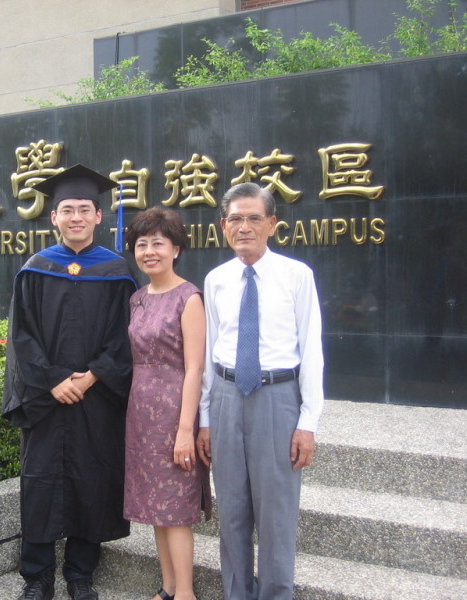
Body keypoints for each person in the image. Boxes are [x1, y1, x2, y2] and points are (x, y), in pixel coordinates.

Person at [2, 164, 138, 600]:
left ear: (99, 216)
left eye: (84, 209)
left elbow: (125, 336)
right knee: (40, 481)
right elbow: (21, 335)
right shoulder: (37, 268)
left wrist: (94, 374)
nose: (76, 217)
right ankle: (37, 577)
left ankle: (81, 574)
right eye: (67, 210)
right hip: (48, 396)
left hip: (97, 396)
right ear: (53, 218)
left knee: (92, 478)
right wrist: (55, 380)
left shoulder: (116, 272)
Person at [196, 182, 324, 600]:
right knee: (231, 511)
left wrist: (308, 422)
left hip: (278, 400)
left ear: (272, 224)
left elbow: (312, 350)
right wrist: (206, 419)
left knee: (276, 515)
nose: (244, 227)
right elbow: (210, 352)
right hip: (227, 399)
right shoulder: (216, 280)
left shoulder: (296, 276)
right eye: (235, 218)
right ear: (223, 226)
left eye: (254, 218)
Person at [123, 207, 212, 600]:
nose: (149, 251)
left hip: (175, 412)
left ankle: (187, 594)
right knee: (157, 507)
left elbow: (195, 369)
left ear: (176, 248)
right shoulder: (137, 299)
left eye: (158, 243)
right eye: (141, 244)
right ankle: (168, 588)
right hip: (140, 413)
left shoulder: (188, 298)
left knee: (175, 510)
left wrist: (184, 431)